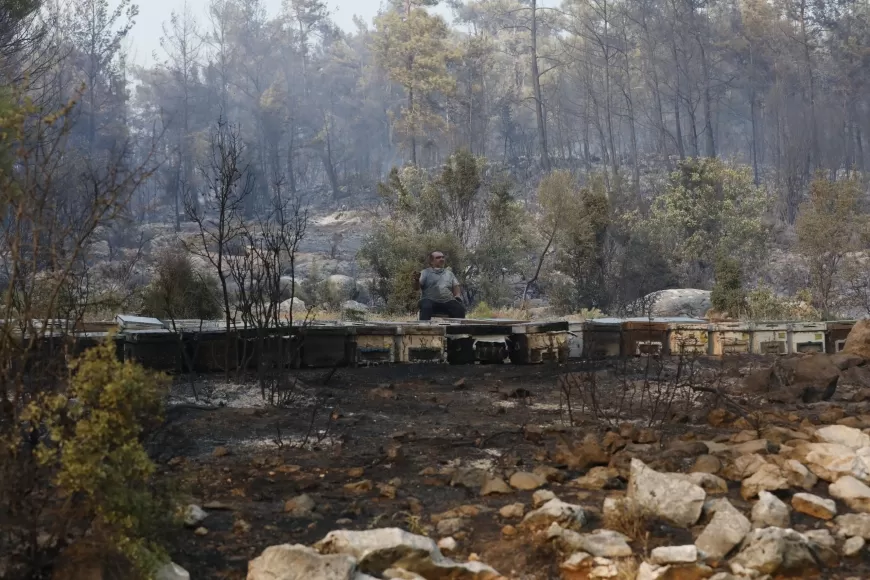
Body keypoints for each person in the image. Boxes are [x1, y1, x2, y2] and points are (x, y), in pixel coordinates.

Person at [413, 251, 466, 321]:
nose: (441, 259)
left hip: (447, 301)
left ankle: (456, 331)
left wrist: (457, 296)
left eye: (443, 257)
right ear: (431, 261)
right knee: (426, 306)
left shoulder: (449, 273)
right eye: (438, 258)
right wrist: (416, 280)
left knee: (459, 308)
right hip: (430, 301)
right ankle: (424, 329)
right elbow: (416, 288)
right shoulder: (425, 273)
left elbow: (456, 286)